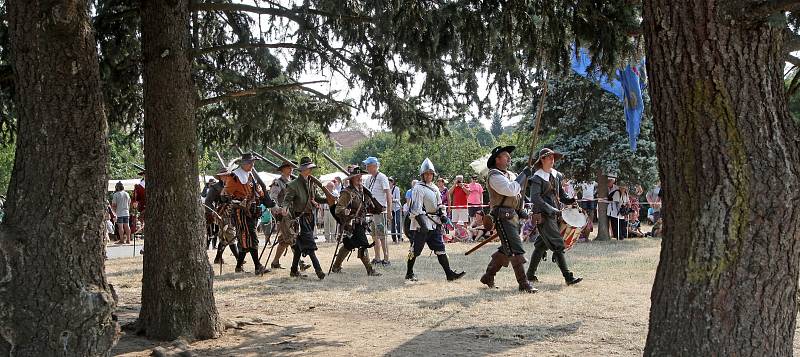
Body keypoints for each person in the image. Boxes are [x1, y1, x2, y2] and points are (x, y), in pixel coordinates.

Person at [479, 146, 536, 293]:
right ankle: (523, 283)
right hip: (502, 217)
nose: (509, 158)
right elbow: (510, 189)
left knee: (506, 249)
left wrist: (520, 209)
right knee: (516, 248)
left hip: (513, 215)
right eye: (505, 156)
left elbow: (517, 194)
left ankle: (488, 276)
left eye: (509, 156)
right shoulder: (494, 176)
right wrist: (523, 175)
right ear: (497, 160)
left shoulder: (510, 174)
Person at [524, 148, 583, 286]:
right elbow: (536, 198)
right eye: (549, 158)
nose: (552, 160)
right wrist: (552, 209)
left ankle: (530, 275)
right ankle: (568, 277)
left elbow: (561, 194)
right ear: (542, 160)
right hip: (544, 215)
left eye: (553, 158)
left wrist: (570, 200)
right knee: (558, 244)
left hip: (555, 214)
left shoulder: (556, 175)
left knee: (540, 246)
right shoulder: (537, 178)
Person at [406, 158, 465, 282]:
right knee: (415, 250)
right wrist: (423, 226)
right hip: (421, 224)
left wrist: (443, 214)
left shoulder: (435, 188)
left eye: (430, 174)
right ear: (422, 175)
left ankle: (449, 274)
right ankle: (409, 273)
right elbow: (416, 208)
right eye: (426, 174)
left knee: (440, 248)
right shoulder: (418, 188)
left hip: (434, 224)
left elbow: (440, 204)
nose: (428, 176)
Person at [221, 152, 270, 275]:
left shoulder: (250, 176)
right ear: (243, 163)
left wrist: (265, 200)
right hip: (240, 213)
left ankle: (238, 266)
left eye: (253, 162)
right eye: (250, 163)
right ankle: (257, 266)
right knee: (250, 238)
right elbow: (224, 195)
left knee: (246, 239)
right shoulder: (234, 177)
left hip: (252, 211)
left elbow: (260, 192)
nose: (252, 165)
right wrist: (237, 201)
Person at [282, 157, 330, 279]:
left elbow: (317, 198)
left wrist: (329, 199)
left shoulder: (311, 183)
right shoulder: (293, 185)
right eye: (309, 168)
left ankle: (293, 270)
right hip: (300, 219)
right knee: (310, 245)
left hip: (310, 218)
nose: (311, 170)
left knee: (298, 247)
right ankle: (318, 270)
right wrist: (284, 208)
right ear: (303, 170)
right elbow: (287, 200)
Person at [331, 166, 382, 276]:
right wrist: (346, 212)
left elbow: (368, 206)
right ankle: (370, 270)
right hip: (352, 224)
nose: (360, 178)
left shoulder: (362, 192)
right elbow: (338, 208)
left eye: (361, 176)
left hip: (361, 223)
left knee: (348, 245)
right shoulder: (347, 192)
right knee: (363, 244)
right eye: (357, 176)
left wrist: (376, 206)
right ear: (352, 179)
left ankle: (336, 267)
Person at [269, 160, 309, 271]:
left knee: (284, 240)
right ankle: (300, 263)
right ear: (282, 169)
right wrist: (277, 210)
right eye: (288, 167)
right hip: (282, 214)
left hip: (293, 213)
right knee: (292, 237)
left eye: (291, 167)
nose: (291, 169)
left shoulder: (293, 181)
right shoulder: (277, 182)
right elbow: (272, 199)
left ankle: (275, 262)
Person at [205, 165, 241, 265]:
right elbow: (207, 202)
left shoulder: (233, 185)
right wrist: (214, 213)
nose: (226, 177)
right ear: (220, 177)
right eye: (224, 175)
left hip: (234, 212)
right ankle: (239, 260)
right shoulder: (215, 188)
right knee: (230, 234)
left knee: (224, 238)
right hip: (223, 213)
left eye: (227, 175)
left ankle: (218, 258)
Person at [363, 156, 393, 266]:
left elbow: (388, 194)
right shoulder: (369, 179)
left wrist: (389, 210)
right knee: (374, 236)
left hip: (381, 211)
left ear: (375, 166)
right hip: (372, 211)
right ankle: (377, 257)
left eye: (368, 165)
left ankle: (386, 258)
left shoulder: (382, 177)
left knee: (382, 236)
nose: (367, 167)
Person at [389, 177, 403, 243]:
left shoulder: (396, 189)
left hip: (397, 208)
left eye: (390, 182)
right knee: (392, 224)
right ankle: (394, 239)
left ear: (392, 182)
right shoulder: (387, 189)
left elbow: (398, 199)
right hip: (390, 208)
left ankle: (400, 237)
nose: (389, 184)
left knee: (398, 222)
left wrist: (391, 200)